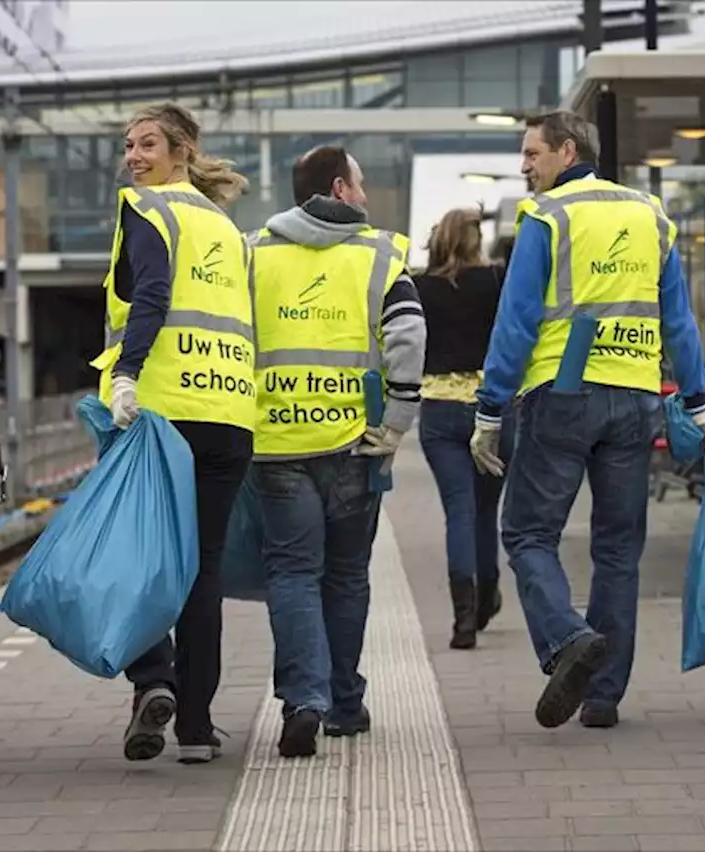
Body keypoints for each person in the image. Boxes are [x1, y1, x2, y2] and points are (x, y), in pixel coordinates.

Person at [470, 110, 705, 731]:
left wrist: (488, 408)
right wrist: (698, 402)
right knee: (619, 549)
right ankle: (604, 696)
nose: (525, 166)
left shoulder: (548, 217)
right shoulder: (649, 217)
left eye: (532, 154)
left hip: (561, 394)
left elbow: (517, 321)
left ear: (567, 151)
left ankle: (567, 640)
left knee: (529, 534)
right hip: (636, 396)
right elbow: (679, 321)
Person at [248, 145, 425, 758]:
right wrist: (399, 420)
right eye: (362, 183)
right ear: (338, 188)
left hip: (275, 440)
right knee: (347, 576)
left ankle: (304, 700)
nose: (368, 195)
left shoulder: (255, 252)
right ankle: (345, 704)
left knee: (294, 573)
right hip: (357, 441)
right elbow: (407, 334)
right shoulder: (379, 254)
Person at [91, 102, 254, 765]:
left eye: (147, 143)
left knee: (138, 558)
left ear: (182, 149)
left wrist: (127, 373)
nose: (133, 156)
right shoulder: (225, 226)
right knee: (202, 572)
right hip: (229, 416)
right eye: (128, 145)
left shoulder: (148, 211)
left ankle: (154, 678)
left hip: (161, 413)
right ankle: (194, 727)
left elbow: (152, 296)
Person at [415, 207, 515, 650]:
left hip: (438, 411)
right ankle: (487, 594)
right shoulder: (496, 281)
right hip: (491, 410)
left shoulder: (419, 287)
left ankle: (463, 621)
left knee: (458, 510)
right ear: (476, 239)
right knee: (485, 510)